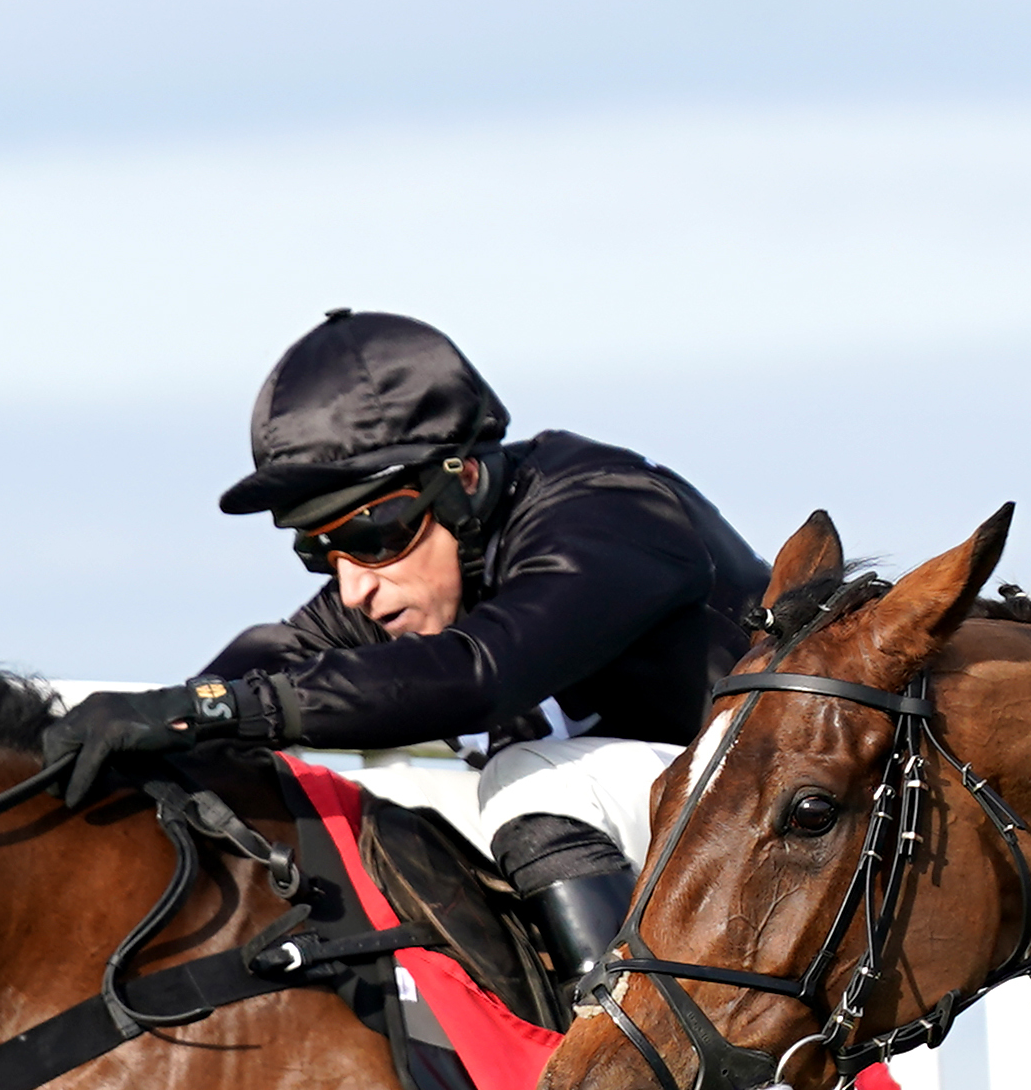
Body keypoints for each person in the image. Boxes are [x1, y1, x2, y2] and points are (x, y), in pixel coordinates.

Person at [40, 308, 771, 995]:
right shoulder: (418, 575)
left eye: (368, 536)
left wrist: (227, 708)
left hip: (804, 835)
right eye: (322, 552)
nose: (354, 586)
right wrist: (171, 717)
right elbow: (281, 658)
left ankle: (634, 1059)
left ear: (465, 480)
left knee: (533, 786)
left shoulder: (607, 511)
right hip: (694, 861)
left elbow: (483, 672)